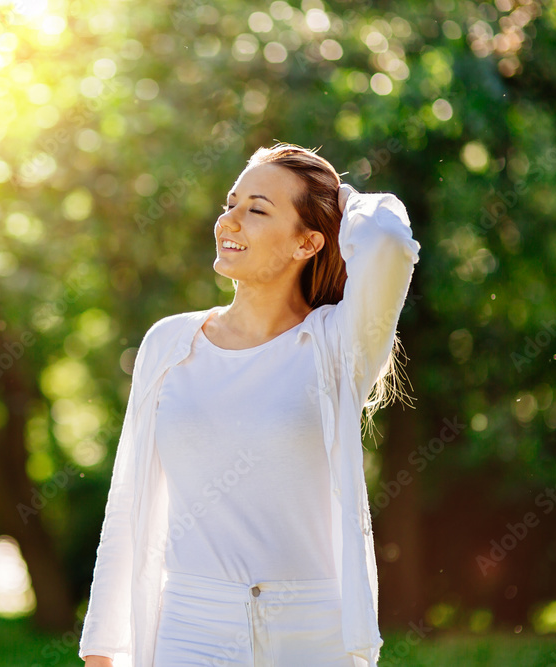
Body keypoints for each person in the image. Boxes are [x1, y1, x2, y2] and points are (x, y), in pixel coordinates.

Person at [79, 142, 420, 666]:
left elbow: (390, 241)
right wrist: (103, 652)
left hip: (311, 635)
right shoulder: (169, 343)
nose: (229, 221)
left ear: (308, 243)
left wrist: (341, 198)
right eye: (230, 203)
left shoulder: (336, 345)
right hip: (190, 629)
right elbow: (127, 502)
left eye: (257, 210)